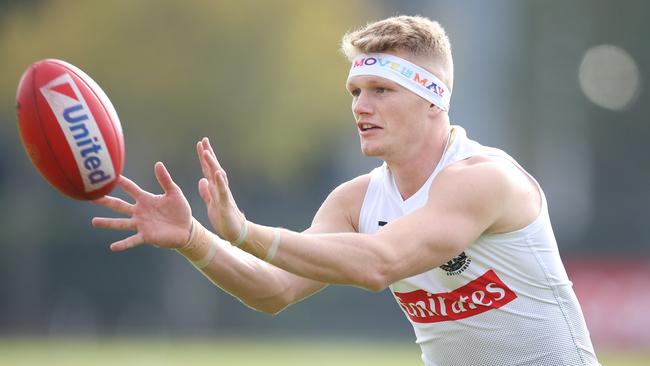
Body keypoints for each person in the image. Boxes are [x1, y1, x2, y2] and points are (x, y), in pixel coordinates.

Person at [92, 15, 600, 365]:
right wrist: (193, 239)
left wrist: (245, 230)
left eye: (381, 91)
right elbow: (275, 289)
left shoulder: (483, 179)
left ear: (433, 100)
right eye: (356, 92)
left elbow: (379, 263)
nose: (361, 107)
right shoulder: (355, 201)